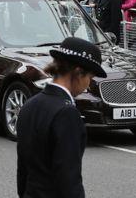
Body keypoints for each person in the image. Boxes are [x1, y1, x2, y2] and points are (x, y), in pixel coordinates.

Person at [17, 37, 106, 198]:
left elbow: (22, 172)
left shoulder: (29, 105)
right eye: (90, 78)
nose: (88, 84)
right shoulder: (67, 113)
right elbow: (68, 179)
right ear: (78, 73)